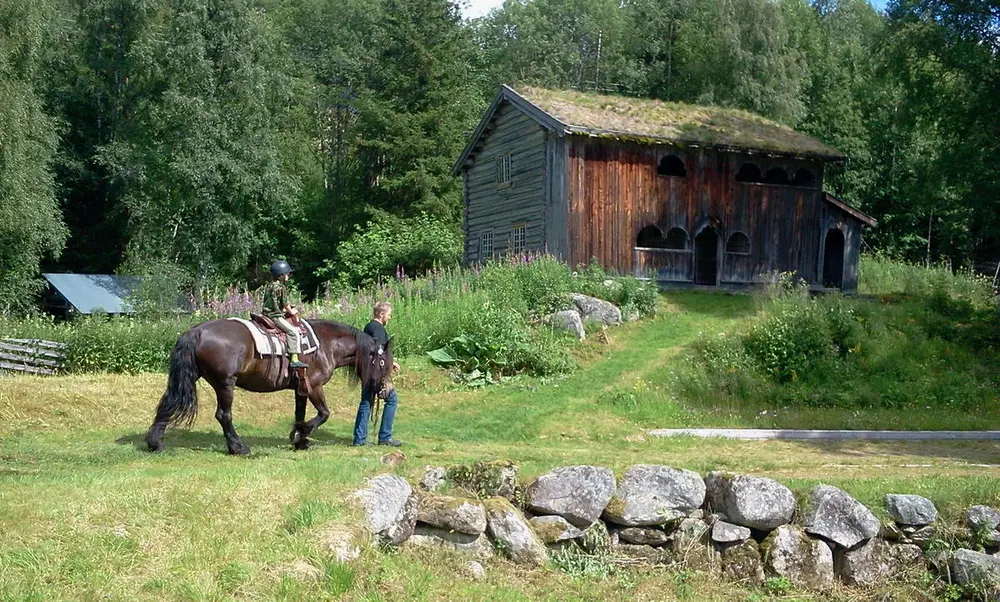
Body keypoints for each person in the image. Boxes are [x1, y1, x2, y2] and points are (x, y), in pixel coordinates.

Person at [353, 301, 402, 447]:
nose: (389, 317)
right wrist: (389, 363)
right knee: (392, 400)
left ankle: (359, 439)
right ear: (381, 314)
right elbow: (379, 350)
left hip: (367, 370)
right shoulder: (378, 328)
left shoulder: (368, 327)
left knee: (366, 402)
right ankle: (385, 437)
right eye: (389, 314)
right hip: (376, 373)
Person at [262, 260, 307, 369]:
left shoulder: (269, 286)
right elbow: (285, 304)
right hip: (275, 316)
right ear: (281, 275)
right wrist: (292, 311)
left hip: (266, 313)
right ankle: (294, 359)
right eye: (287, 273)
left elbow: (273, 301)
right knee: (293, 332)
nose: (289, 275)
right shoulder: (281, 287)